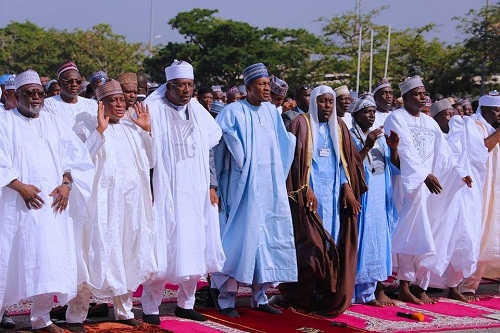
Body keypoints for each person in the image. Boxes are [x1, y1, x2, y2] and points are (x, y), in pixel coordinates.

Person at [0, 70, 94, 333]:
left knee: (49, 261)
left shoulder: (54, 123)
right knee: (6, 259)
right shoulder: (4, 122)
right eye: (29, 93)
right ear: (15, 95)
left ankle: (41, 318)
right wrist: (19, 187)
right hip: (14, 206)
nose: (35, 98)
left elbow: (75, 157)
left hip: (52, 207)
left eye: (39, 93)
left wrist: (66, 185)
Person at [65, 80, 157, 332]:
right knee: (92, 252)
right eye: (113, 100)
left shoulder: (131, 127)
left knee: (128, 252)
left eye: (121, 100)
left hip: (129, 206)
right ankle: (76, 315)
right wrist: (99, 132)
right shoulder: (85, 126)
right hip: (99, 207)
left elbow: (150, 161)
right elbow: (78, 162)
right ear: (101, 104)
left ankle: (124, 310)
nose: (120, 104)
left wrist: (147, 131)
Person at [141, 60, 225, 324]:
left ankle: (185, 303)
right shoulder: (152, 109)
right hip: (166, 189)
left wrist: (212, 185)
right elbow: (143, 153)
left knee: (196, 243)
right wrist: (149, 187)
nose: (187, 90)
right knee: (163, 245)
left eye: (190, 85)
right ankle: (151, 307)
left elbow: (209, 151)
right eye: (181, 86)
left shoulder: (198, 111)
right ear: (169, 86)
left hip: (196, 189)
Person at [212, 63, 297, 318]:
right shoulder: (232, 112)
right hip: (241, 189)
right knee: (238, 240)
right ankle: (225, 299)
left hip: (270, 186)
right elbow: (217, 148)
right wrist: (215, 184)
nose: (267, 89)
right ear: (248, 88)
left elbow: (284, 143)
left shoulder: (271, 112)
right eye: (261, 84)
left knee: (267, 240)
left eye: (268, 84)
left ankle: (259, 297)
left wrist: (278, 178)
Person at [384, 76, 472, 305]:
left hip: (429, 187)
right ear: (404, 98)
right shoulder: (396, 117)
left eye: (424, 93)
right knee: (410, 233)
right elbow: (404, 150)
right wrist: (423, 175)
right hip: (408, 186)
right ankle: (403, 285)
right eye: (417, 93)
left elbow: (445, 153)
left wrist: (459, 173)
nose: (423, 97)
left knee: (429, 233)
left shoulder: (429, 122)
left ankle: (418, 283)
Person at [279, 85, 366, 316]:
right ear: (314, 102)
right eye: (322, 101)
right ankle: (303, 292)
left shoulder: (339, 126)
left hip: (334, 197)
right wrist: (304, 189)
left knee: (333, 243)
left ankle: (327, 292)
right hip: (309, 197)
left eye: (330, 102)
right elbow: (294, 162)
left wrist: (347, 188)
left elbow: (345, 162)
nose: (327, 106)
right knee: (312, 246)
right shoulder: (300, 123)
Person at [425, 99, 488, 302]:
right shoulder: (433, 137)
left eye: (453, 114)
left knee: (462, 240)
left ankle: (454, 286)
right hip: (440, 197)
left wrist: (463, 175)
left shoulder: (461, 136)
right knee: (438, 240)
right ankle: (420, 286)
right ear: (436, 118)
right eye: (447, 114)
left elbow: (476, 158)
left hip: (463, 197)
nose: (453, 118)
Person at [350, 94, 399, 306]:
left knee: (378, 240)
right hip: (363, 195)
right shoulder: (349, 136)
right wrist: (367, 146)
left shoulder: (380, 137)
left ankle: (371, 292)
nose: (371, 115)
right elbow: (351, 167)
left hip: (380, 195)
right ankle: (355, 292)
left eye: (373, 112)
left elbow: (394, 166)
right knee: (362, 240)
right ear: (356, 115)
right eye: (366, 112)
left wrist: (394, 147)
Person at [460, 92, 500, 300]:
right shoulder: (473, 125)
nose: (499, 114)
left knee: (495, 236)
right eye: (496, 110)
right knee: (479, 234)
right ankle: (468, 283)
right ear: (484, 110)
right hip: (480, 190)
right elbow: (481, 149)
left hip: (497, 189)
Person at [44, 62, 97, 127]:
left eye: (78, 81)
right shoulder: (48, 105)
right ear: (60, 83)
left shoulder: (91, 105)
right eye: (69, 81)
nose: (74, 84)